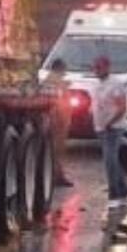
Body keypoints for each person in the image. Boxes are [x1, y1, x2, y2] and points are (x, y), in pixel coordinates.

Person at [91, 55, 127, 208]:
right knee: (113, 160)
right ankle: (124, 191)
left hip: (113, 128)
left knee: (109, 161)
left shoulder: (115, 85)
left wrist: (110, 122)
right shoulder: (96, 85)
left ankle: (114, 194)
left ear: (107, 67)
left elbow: (122, 107)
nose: (96, 71)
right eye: (95, 68)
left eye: (99, 67)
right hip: (101, 127)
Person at [42, 58, 74, 187]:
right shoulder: (56, 82)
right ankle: (56, 176)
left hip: (59, 120)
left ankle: (58, 174)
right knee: (56, 150)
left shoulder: (50, 81)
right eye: (64, 70)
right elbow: (58, 103)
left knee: (57, 150)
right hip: (58, 121)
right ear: (60, 69)